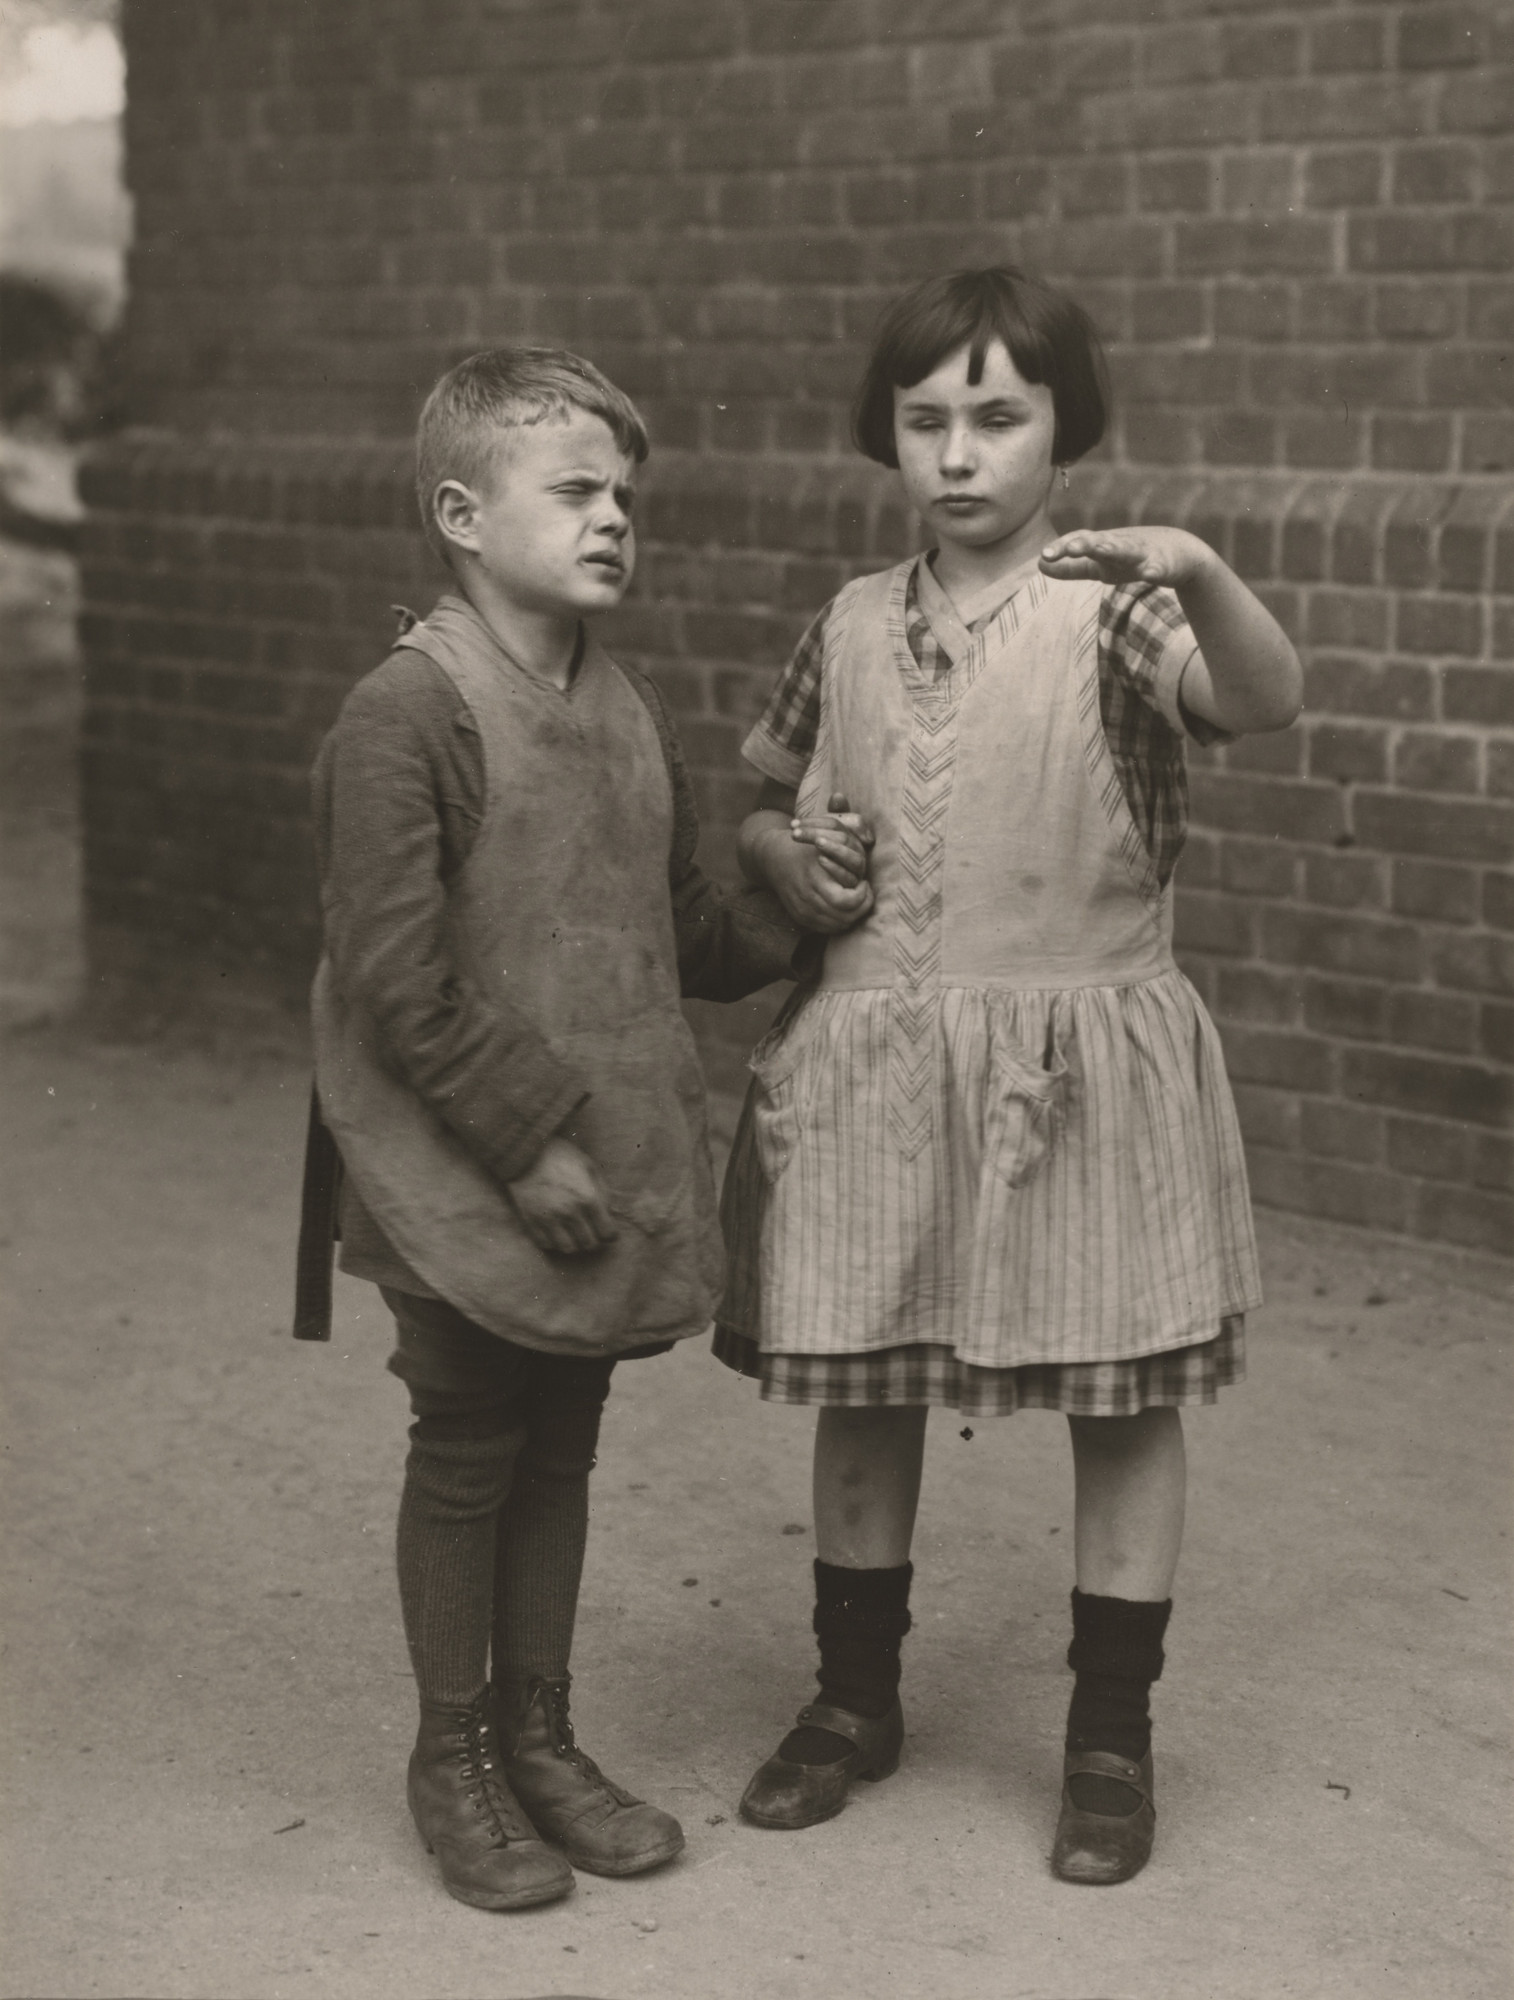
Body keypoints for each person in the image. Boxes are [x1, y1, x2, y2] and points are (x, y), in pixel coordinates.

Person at [715, 267, 1303, 1884]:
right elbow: (764, 802)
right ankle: (851, 1703)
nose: (958, 454)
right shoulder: (841, 619)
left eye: (997, 415)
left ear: (1063, 428)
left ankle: (1108, 1740)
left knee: (1117, 1400)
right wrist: (789, 849)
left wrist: (1200, 570)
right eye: (925, 421)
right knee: (859, 1381)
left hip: (1074, 1060)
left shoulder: (1115, 602)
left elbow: (1258, 701)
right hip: (873, 1063)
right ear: (886, 436)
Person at [292, 346, 835, 1911]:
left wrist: (797, 909)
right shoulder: (409, 712)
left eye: (625, 495)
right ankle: (450, 1755)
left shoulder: (623, 707)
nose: (614, 520)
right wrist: (524, 1142)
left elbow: (674, 937)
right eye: (577, 490)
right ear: (462, 513)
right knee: (469, 1443)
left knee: (564, 1446)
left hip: (592, 1171)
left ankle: (540, 1738)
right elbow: (394, 975)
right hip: (459, 1164)